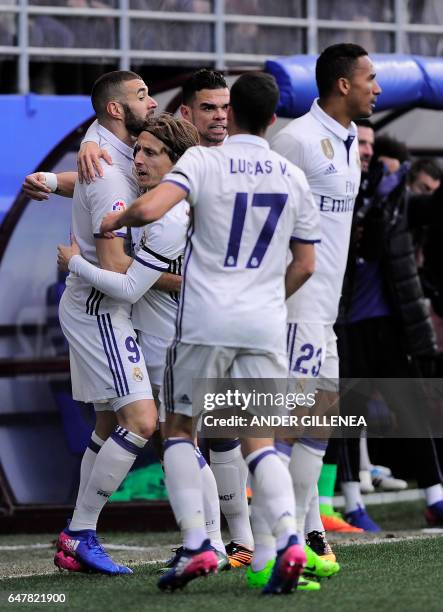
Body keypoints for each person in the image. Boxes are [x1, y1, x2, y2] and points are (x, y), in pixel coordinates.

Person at [100, 71, 320, 594]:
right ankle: (289, 538)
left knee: (178, 428)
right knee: (259, 440)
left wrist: (114, 222)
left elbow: (152, 208)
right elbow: (306, 265)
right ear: (271, 118)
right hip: (264, 322)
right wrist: (267, 294)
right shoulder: (293, 175)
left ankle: (199, 542)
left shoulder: (202, 159)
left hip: (205, 319)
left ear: (231, 114)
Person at [77, 69, 255, 569]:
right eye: (209, 108)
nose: (220, 116)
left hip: (195, 327)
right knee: (152, 427)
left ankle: (223, 541)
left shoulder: (210, 180)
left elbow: (136, 271)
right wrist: (72, 162)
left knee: (197, 434)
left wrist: (77, 261)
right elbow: (115, 182)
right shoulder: (167, 168)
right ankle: (222, 542)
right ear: (187, 114)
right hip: (180, 327)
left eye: (226, 108)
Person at [36, 70, 159, 575]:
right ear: (115, 109)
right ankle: (81, 532)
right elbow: (114, 268)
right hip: (101, 310)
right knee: (142, 422)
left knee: (108, 423)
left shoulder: (111, 148)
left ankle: (79, 532)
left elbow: (88, 180)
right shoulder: (108, 167)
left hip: (95, 306)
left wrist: (49, 178)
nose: (151, 102)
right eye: (142, 95)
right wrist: (172, 275)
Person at [270, 43, 381, 557]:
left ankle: (305, 533)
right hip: (296, 305)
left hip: (325, 307)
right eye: (369, 78)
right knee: (297, 422)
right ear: (343, 84)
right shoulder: (294, 141)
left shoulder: (348, 141)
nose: (376, 88)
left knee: (317, 419)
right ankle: (282, 541)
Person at [336, 119, 443, 530]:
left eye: (369, 144)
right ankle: (349, 503)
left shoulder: (397, 198)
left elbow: (429, 208)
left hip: (390, 324)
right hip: (345, 323)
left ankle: (435, 497)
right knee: (346, 415)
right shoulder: (335, 192)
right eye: (358, 143)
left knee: (412, 409)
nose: (364, 150)